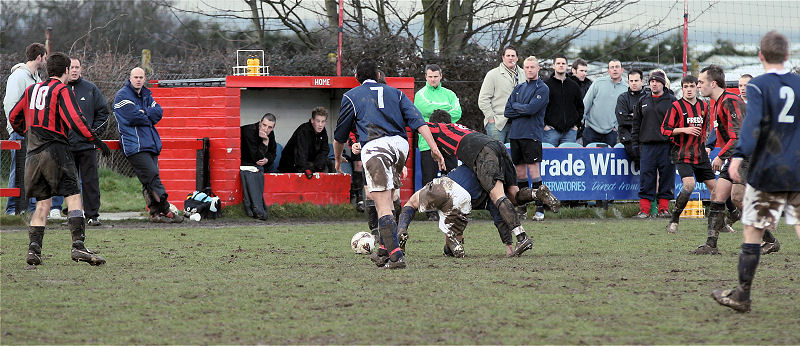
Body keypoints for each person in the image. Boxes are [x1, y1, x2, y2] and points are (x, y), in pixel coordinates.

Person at [712, 30, 800, 313]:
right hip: (798, 168)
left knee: (752, 231)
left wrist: (738, 157)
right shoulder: (799, 85)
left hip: (768, 170)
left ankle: (742, 295)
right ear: (787, 56)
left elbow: (752, 127)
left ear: (761, 56)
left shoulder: (759, 86)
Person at [333, 58, 446, 269]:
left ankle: (396, 256)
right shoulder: (397, 93)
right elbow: (419, 123)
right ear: (378, 75)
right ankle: (384, 250)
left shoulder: (351, 96)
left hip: (375, 148)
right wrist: (435, 149)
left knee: (381, 204)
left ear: (357, 78)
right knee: (391, 196)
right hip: (400, 147)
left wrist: (338, 160)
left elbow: (339, 137)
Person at [8, 52, 110, 266]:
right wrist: (96, 140)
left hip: (33, 153)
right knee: (73, 196)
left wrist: (25, 131)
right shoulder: (61, 89)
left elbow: (14, 116)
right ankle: (78, 247)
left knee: (42, 204)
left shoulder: (31, 89)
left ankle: (33, 251)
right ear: (65, 70)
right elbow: (76, 119)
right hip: (56, 151)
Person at [423, 109, 560, 256]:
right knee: (513, 196)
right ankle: (536, 193)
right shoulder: (460, 128)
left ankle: (522, 237)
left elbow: (417, 124)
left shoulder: (439, 128)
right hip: (498, 147)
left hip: (484, 153)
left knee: (497, 197)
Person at [690, 64, 781, 255]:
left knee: (738, 198)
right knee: (717, 196)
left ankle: (770, 241)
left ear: (713, 83)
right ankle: (710, 245)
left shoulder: (729, 101)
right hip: (735, 155)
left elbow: (739, 136)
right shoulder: (718, 102)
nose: (698, 86)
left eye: (700, 82)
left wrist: (721, 156)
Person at [397, 164, 556, 258]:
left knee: (411, 203)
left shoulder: (472, 161)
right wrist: (508, 245)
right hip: (462, 198)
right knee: (454, 234)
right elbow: (499, 216)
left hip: (444, 184)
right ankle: (455, 243)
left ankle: (402, 229)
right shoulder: (493, 183)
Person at [114, 67, 182, 223]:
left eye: (141, 77)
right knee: (152, 175)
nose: (138, 79)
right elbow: (132, 117)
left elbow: (159, 112)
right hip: (134, 146)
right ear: (130, 78)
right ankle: (166, 209)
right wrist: (147, 114)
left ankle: (155, 214)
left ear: (145, 79)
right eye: (135, 77)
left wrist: (143, 113)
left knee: (148, 180)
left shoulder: (146, 94)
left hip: (150, 144)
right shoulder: (122, 96)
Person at [51, 57, 110, 226]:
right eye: (72, 67)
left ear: (81, 69)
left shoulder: (90, 89)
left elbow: (103, 113)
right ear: (66, 70)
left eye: (77, 67)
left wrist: (94, 133)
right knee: (68, 182)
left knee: (90, 181)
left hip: (87, 145)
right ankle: (73, 215)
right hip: (66, 146)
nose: (75, 70)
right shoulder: (59, 90)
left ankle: (92, 215)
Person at [661, 75, 716, 233]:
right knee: (689, 185)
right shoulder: (676, 106)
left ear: (697, 87)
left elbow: (705, 128)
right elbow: (665, 129)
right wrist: (684, 130)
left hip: (700, 154)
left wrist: (706, 145)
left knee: (716, 189)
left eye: (692, 86)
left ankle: (720, 222)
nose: (689, 89)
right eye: (686, 87)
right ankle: (674, 219)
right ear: (682, 89)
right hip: (682, 152)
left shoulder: (704, 106)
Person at [414, 64, 462, 220]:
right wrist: (445, 110)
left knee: (452, 175)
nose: (433, 79)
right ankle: (431, 211)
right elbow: (423, 108)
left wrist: (437, 111)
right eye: (430, 76)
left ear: (441, 76)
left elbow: (458, 112)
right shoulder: (420, 94)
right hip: (427, 142)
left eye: (436, 76)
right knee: (430, 177)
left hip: (449, 141)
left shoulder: (450, 94)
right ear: (426, 77)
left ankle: (452, 208)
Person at [505, 56, 550, 221]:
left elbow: (532, 109)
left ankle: (540, 209)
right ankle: (522, 208)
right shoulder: (518, 88)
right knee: (520, 173)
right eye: (527, 67)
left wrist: (518, 107)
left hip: (532, 135)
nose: (529, 70)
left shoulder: (542, 88)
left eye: (532, 67)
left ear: (538, 68)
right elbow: (507, 111)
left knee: (534, 172)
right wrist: (520, 108)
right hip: (515, 135)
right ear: (523, 69)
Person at [3, 43, 46, 216]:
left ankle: (29, 208)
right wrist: (18, 129)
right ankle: (13, 208)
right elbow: (11, 104)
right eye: (44, 57)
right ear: (38, 57)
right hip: (20, 132)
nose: (45, 61)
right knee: (18, 169)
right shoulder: (19, 77)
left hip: (34, 134)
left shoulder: (37, 78)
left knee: (33, 170)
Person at [631, 70, 677, 218]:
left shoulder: (672, 100)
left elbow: (678, 124)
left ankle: (664, 209)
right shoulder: (642, 100)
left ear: (663, 83)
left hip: (667, 145)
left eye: (657, 81)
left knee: (667, 177)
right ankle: (644, 210)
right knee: (646, 177)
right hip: (647, 145)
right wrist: (635, 144)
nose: (654, 84)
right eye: (651, 81)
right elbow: (636, 124)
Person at [478, 46, 524, 143]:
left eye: (513, 55)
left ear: (517, 58)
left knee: (513, 156)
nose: (510, 58)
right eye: (508, 55)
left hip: (518, 124)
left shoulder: (524, 74)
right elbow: (483, 99)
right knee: (497, 154)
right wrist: (491, 118)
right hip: (498, 123)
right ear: (503, 57)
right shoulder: (492, 74)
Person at [582, 59, 628, 146]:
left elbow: (625, 112)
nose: (615, 69)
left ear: (622, 70)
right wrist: (581, 123)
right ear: (608, 71)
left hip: (610, 133)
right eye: (612, 67)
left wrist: (617, 127)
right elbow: (586, 104)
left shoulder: (626, 88)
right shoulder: (598, 83)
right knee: (588, 159)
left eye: (617, 67)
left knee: (608, 159)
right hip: (591, 130)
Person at [278, 106, 334, 175]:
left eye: (323, 122)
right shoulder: (303, 131)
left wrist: (317, 165)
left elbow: (324, 150)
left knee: (329, 163)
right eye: (318, 121)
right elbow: (300, 154)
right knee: (306, 170)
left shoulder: (323, 132)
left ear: (326, 122)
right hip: (291, 164)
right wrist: (309, 169)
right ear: (312, 120)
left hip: (308, 161)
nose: (320, 125)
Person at [543, 54, 584, 146]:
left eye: (563, 63)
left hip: (570, 132)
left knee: (569, 158)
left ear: (567, 66)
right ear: (553, 66)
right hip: (550, 131)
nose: (561, 65)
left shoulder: (574, 86)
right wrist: (545, 125)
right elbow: (541, 107)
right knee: (549, 158)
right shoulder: (546, 85)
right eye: (558, 63)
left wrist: (576, 125)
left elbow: (580, 107)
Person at [616, 69, 645, 166]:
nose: (633, 83)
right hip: (629, 138)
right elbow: (622, 120)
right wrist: (641, 118)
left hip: (646, 137)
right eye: (631, 81)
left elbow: (652, 118)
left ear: (642, 81)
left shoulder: (648, 97)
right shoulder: (622, 98)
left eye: (636, 81)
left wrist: (634, 116)